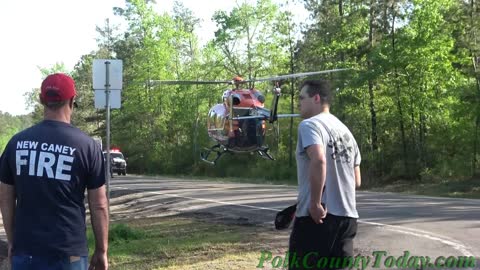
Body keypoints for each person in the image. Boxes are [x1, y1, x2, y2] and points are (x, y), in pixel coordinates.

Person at [0, 73, 109, 270]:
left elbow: (5, 196)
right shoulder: (87, 146)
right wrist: (102, 250)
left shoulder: (16, 143)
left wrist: (12, 241)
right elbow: (99, 204)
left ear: (42, 100)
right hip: (71, 255)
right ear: (72, 100)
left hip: (26, 252)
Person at [288, 80, 361, 270]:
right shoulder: (346, 131)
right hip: (347, 219)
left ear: (316, 98)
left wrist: (315, 203)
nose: (299, 103)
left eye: (302, 98)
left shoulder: (310, 125)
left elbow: (319, 160)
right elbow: (356, 180)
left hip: (317, 218)